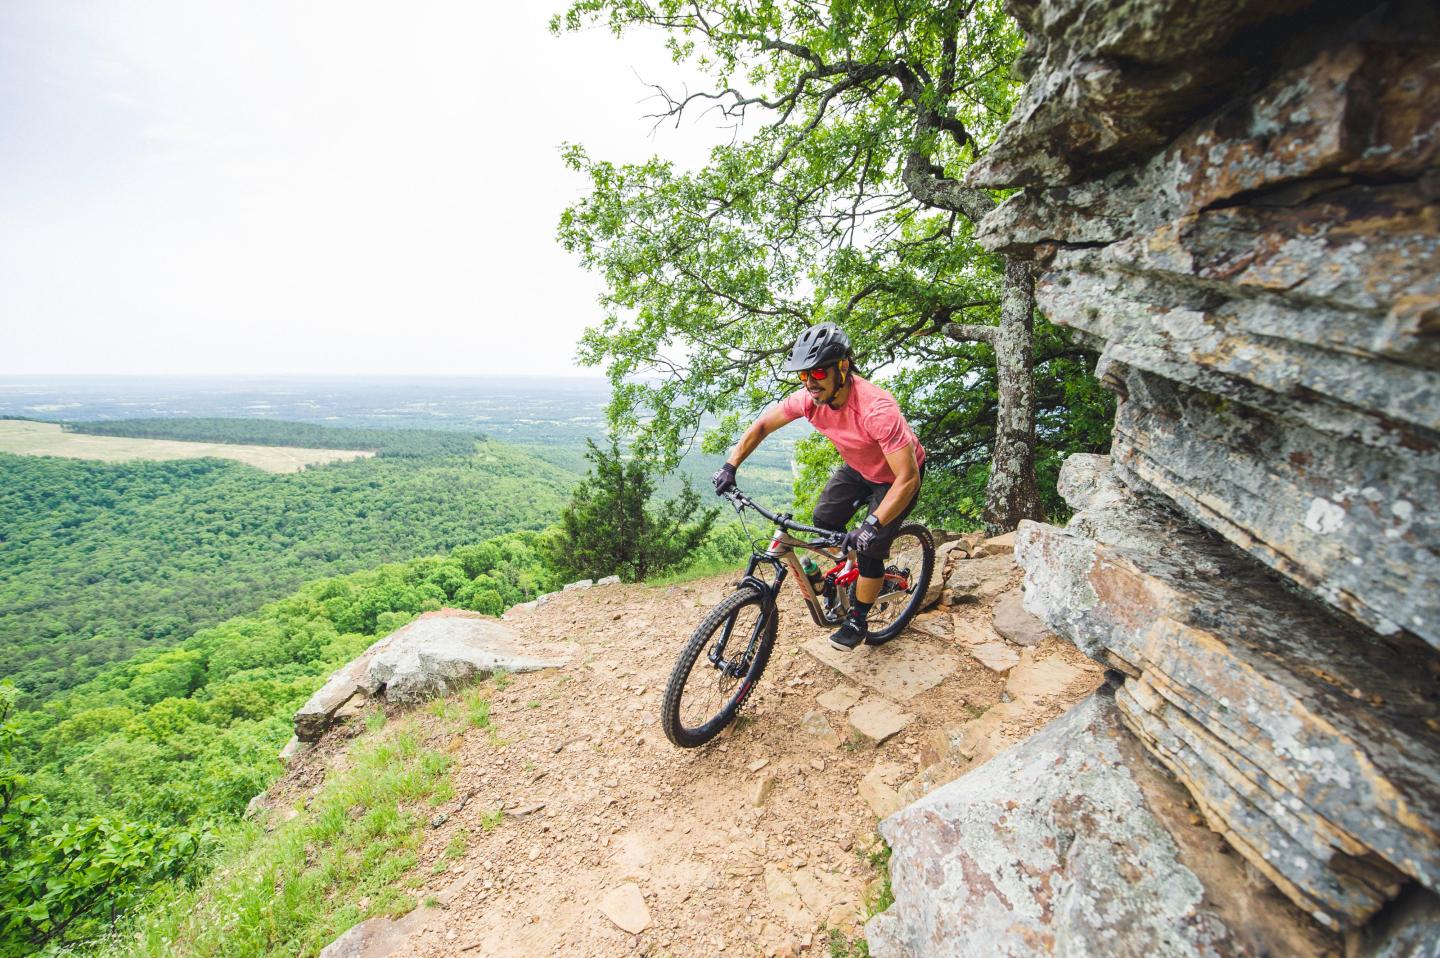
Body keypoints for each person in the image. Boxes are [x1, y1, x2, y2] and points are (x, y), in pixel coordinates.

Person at [712, 322, 926, 651]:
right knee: (824, 519)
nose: (811, 383)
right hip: (859, 466)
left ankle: (858, 615)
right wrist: (730, 465)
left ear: (842, 367)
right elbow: (763, 425)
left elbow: (907, 478)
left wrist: (871, 525)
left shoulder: (877, 410)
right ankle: (855, 573)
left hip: (896, 478)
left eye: (818, 374)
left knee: (870, 547)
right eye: (804, 376)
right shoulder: (811, 400)